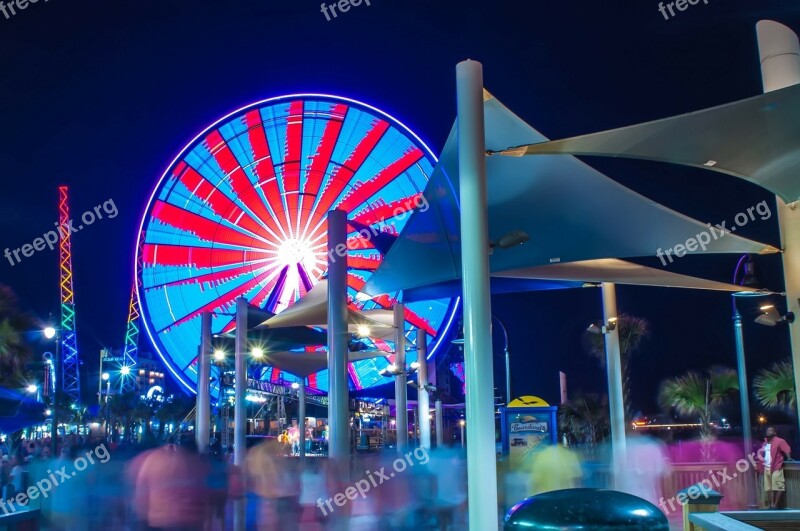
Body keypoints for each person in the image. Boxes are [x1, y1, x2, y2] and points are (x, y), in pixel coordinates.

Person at [758, 426, 792, 509]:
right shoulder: (765, 442)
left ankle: (775, 505)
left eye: (770, 430)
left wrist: (789, 458)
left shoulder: (780, 441)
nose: (768, 432)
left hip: (776, 466)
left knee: (778, 486)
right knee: (769, 488)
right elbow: (762, 454)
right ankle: (771, 505)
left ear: (775, 433)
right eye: (767, 430)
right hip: (766, 466)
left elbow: (786, 449)